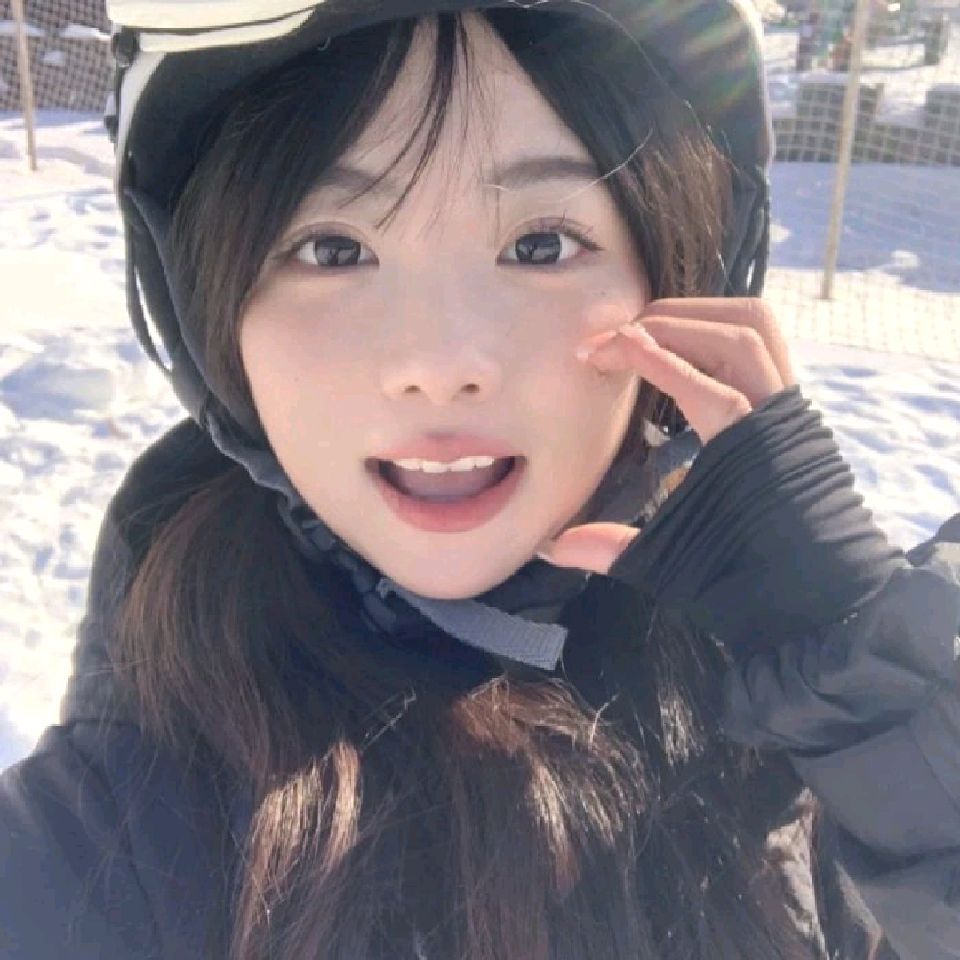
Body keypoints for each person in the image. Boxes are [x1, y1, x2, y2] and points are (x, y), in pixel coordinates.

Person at [1, 1, 958, 957]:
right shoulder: (102, 843)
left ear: (678, 274)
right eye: (333, 249)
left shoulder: (826, 729)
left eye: (540, 245)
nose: (440, 362)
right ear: (206, 308)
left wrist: (877, 700)